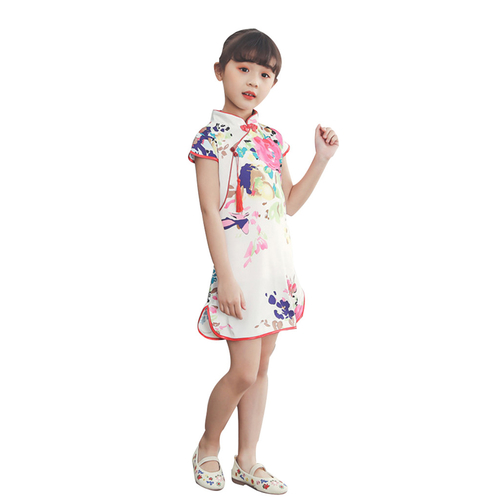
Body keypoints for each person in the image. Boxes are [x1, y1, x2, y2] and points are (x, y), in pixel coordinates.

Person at [188, 28, 339, 494]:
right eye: (244, 68)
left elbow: (288, 203)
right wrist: (226, 277)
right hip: (239, 274)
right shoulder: (212, 138)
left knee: (261, 368)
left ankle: (247, 460)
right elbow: (209, 211)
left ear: (274, 82)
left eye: (265, 73)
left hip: (275, 272)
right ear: (220, 71)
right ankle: (207, 446)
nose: (254, 80)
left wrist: (321, 159)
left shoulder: (272, 137)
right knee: (242, 371)